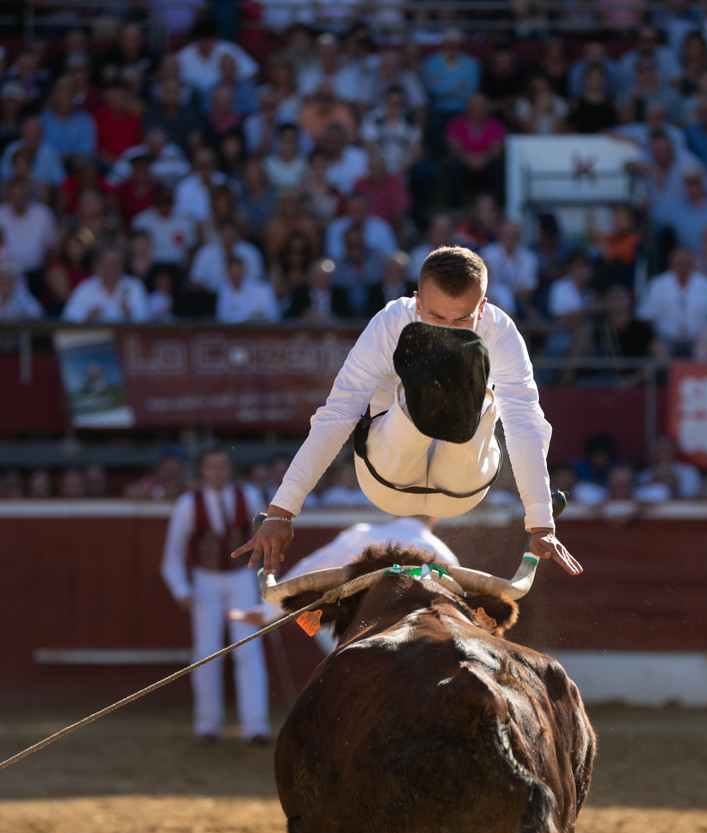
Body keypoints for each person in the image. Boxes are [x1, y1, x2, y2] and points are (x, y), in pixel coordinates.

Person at [233, 245, 582, 578]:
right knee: (426, 380)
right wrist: (282, 511)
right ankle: (426, 399)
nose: (446, 328)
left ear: (482, 307)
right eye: (435, 315)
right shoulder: (391, 322)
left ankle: (461, 395)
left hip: (462, 487)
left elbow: (525, 423)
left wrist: (541, 522)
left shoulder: (500, 330)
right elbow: (337, 414)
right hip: (388, 477)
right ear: (416, 302)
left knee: (478, 393)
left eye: (461, 318)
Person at [160, 445, 271, 745]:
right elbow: (172, 555)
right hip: (205, 582)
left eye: (222, 466)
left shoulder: (247, 496)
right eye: (212, 466)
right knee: (206, 654)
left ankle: (256, 726)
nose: (217, 472)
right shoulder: (187, 504)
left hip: (241, 579)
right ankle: (207, 726)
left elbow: (267, 541)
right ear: (203, 471)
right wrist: (181, 590)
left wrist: (266, 582)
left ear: (228, 469)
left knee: (248, 650)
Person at [230, 513, 460, 655]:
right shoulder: (445, 557)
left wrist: (267, 611)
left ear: (394, 511)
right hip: (421, 649)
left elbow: (310, 569)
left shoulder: (362, 534)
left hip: (356, 643)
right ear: (435, 516)